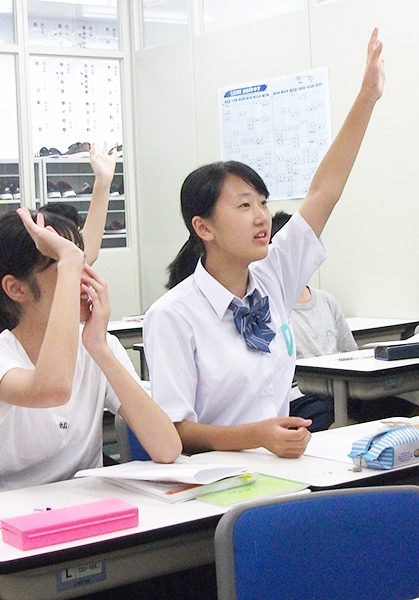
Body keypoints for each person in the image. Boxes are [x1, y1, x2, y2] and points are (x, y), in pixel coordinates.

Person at [144, 29, 385, 458]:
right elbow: (176, 430)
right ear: (204, 228)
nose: (260, 217)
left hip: (282, 464)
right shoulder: (173, 315)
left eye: (262, 203)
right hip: (212, 482)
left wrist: (366, 98)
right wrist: (257, 435)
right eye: (242, 205)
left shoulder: (272, 276)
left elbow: (324, 191)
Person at [0, 208, 181, 498]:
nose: (83, 278)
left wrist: (100, 349)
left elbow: (167, 448)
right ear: (16, 288)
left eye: (81, 262)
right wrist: (70, 263)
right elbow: (52, 388)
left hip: (79, 508)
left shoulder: (98, 346)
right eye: (65, 267)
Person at [0, 142, 117, 404]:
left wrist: (103, 182)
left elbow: (83, 254)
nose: (75, 276)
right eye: (56, 259)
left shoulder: (60, 319)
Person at [272, 211, 419, 430]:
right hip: (302, 396)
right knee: (345, 428)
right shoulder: (272, 308)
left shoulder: (326, 301)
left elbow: (351, 355)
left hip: (346, 391)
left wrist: (341, 359)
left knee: (416, 417)